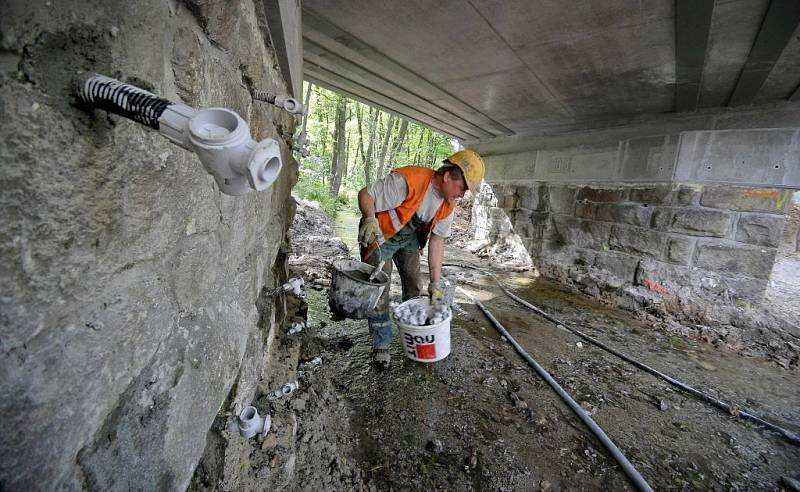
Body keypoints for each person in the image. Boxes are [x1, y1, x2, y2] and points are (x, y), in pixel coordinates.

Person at [356, 149, 486, 369]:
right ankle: (382, 346)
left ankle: (414, 334)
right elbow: (366, 194)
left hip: (409, 238)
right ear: (447, 176)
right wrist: (369, 218)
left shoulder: (448, 204)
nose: (462, 195)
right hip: (381, 235)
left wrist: (435, 282)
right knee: (379, 291)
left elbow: (437, 241)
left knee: (415, 286)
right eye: (462, 188)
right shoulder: (409, 181)